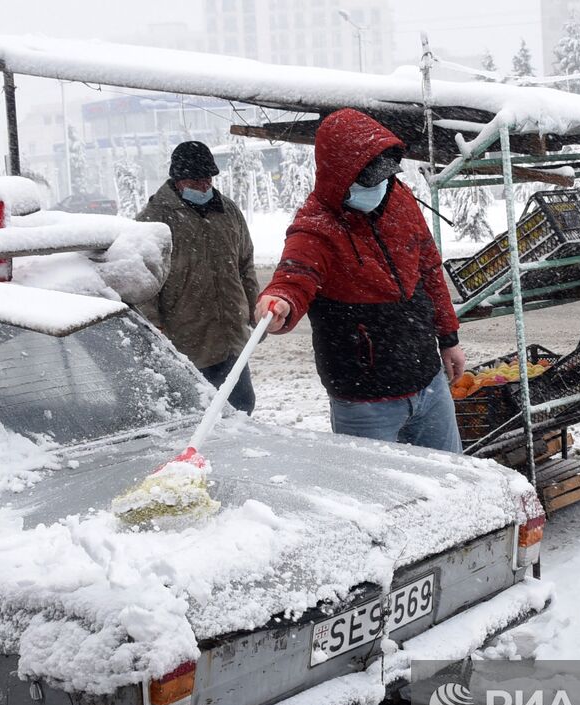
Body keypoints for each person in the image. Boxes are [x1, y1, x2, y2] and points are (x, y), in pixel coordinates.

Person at [254, 108, 466, 453]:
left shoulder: (399, 199)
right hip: (365, 403)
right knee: (380, 501)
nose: (380, 187)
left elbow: (429, 270)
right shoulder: (317, 226)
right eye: (369, 180)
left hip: (429, 385)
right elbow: (295, 276)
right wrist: (280, 302)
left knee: (452, 484)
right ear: (341, 176)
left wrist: (449, 338)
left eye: (385, 176)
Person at [136, 141, 260, 414]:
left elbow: (245, 265)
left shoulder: (228, 211)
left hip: (231, 337)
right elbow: (145, 283)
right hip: (187, 341)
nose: (204, 187)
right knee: (198, 415)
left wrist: (254, 309)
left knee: (241, 407)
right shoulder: (154, 220)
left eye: (208, 180)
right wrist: (155, 329)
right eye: (196, 180)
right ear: (178, 180)